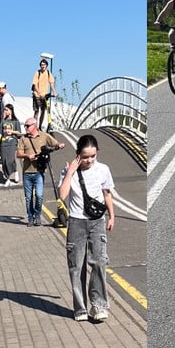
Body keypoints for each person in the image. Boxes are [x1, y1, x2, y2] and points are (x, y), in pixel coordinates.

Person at [58, 134, 115, 322]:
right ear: (77, 155)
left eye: (92, 156)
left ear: (97, 152)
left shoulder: (103, 170)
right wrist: (70, 172)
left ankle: (98, 305)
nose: (89, 160)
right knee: (76, 266)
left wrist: (112, 216)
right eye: (85, 156)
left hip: (97, 221)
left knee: (99, 262)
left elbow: (107, 194)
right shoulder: (69, 171)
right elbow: (63, 195)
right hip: (76, 222)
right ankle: (80, 308)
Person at [17, 117, 64, 226]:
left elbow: (54, 143)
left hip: (39, 172)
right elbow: (18, 154)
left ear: (35, 126)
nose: (26, 128)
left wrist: (59, 145)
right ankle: (30, 217)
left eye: (28, 126)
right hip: (27, 172)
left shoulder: (43, 136)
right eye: (25, 126)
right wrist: (27, 155)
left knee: (39, 195)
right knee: (28, 197)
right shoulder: (23, 139)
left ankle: (37, 215)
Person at [32, 59, 58, 131]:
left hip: (44, 95)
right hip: (37, 95)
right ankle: (35, 126)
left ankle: (40, 126)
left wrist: (54, 92)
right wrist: (39, 93)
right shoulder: (37, 73)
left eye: (44, 65)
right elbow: (35, 85)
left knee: (43, 111)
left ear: (46, 65)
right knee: (37, 111)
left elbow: (51, 84)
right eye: (41, 65)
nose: (42, 66)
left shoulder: (48, 73)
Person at [0, 104, 22, 186]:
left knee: (10, 160)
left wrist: (12, 132)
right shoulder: (3, 121)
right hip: (3, 143)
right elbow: (0, 133)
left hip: (12, 143)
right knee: (4, 161)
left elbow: (19, 133)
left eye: (7, 110)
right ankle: (7, 178)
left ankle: (15, 171)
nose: (5, 111)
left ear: (11, 110)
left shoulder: (15, 121)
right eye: (4, 110)